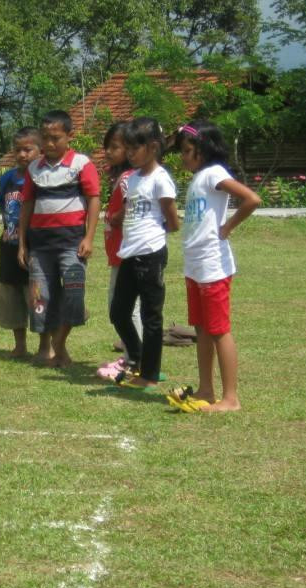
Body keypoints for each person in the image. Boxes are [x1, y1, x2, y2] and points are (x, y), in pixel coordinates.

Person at [169, 119, 261, 413]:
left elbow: (251, 199)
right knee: (201, 328)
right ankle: (206, 389)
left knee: (219, 329)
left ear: (203, 150)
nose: (183, 156)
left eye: (187, 150)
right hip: (195, 265)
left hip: (212, 265)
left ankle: (231, 398)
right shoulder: (200, 177)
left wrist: (228, 227)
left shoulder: (213, 174)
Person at [16, 110, 101, 367]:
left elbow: (94, 199)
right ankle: (45, 348)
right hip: (40, 246)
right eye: (45, 138)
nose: (50, 144)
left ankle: (59, 343)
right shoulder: (34, 168)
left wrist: (89, 237)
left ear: (69, 136)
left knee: (74, 294)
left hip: (72, 245)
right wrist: (22, 243)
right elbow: (27, 205)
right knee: (40, 297)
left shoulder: (81, 164)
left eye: (55, 138)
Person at [111, 116, 179, 389]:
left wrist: (153, 231)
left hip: (151, 253)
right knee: (118, 312)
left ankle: (150, 375)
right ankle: (138, 360)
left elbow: (172, 222)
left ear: (152, 147)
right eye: (126, 149)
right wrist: (119, 217)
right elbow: (131, 208)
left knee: (152, 317)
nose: (129, 154)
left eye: (134, 149)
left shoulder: (161, 179)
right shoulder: (134, 178)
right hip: (129, 253)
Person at [96, 121, 143, 380]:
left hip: (127, 253)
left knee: (124, 308)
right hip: (119, 253)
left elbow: (134, 203)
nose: (108, 152)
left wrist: (117, 217)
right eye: (107, 147)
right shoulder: (123, 177)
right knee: (123, 307)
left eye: (115, 147)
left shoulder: (128, 179)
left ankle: (133, 359)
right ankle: (131, 354)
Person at [0, 127, 41, 358]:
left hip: (35, 246)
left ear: (39, 151)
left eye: (28, 149)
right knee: (11, 294)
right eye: (18, 150)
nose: (22, 155)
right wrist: (7, 231)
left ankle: (45, 345)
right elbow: (4, 206)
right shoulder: (6, 179)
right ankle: (20, 345)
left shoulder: (42, 178)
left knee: (37, 295)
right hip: (9, 245)